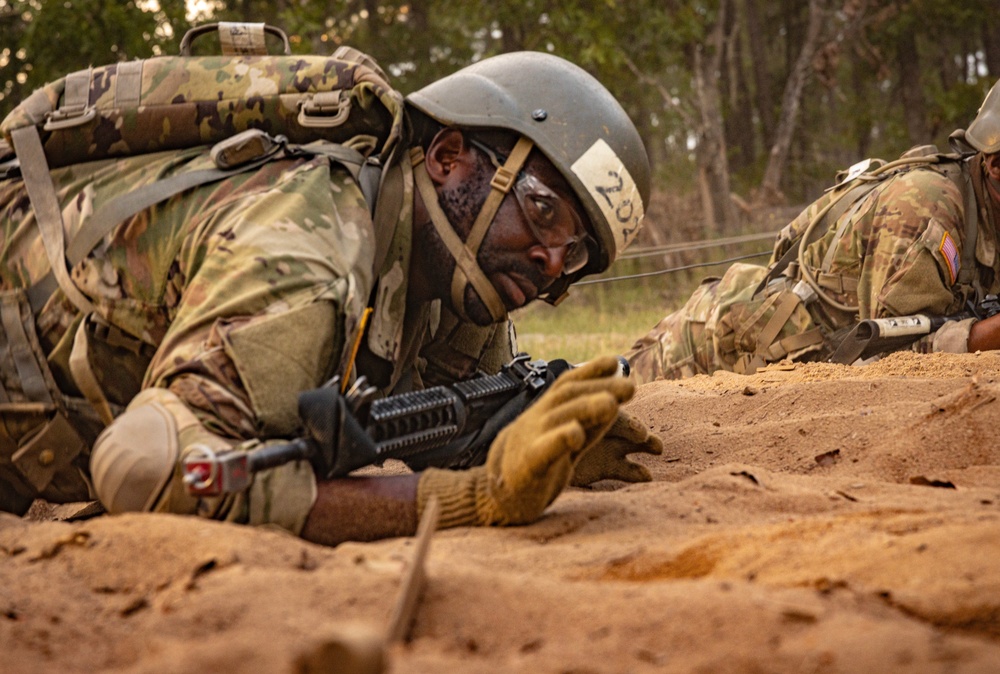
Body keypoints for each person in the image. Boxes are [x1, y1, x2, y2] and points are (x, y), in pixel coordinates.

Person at [0, 40, 662, 545]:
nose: (550, 260)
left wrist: (522, 435)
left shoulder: (456, 289)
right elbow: (152, 467)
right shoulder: (311, 243)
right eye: (542, 210)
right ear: (446, 156)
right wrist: (472, 498)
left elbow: (419, 417)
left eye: (574, 252)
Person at [626, 79, 1000, 384]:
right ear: (995, 165)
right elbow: (887, 359)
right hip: (726, 344)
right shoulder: (926, 208)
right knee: (596, 404)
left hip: (789, 361)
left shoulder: (987, 210)